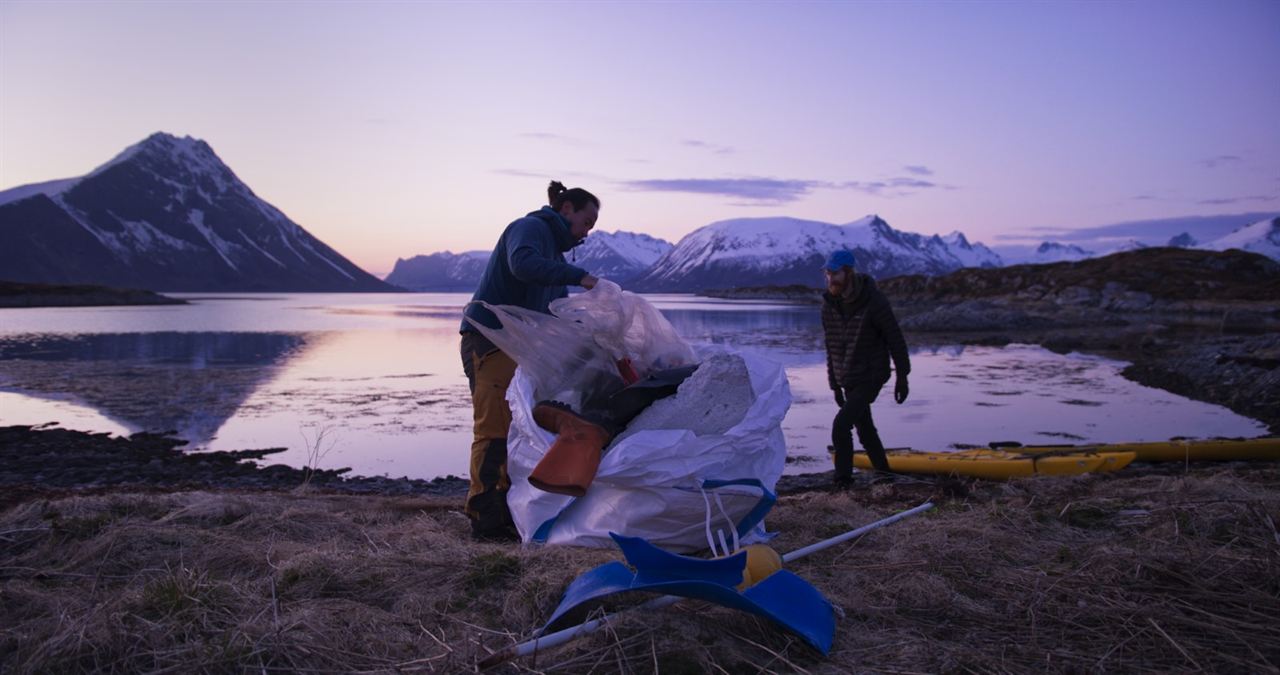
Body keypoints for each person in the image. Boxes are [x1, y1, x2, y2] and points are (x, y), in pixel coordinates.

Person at [459, 181, 600, 540]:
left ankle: (505, 510)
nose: (586, 232)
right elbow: (522, 265)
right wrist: (579, 276)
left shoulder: (552, 255)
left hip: (516, 348)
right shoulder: (530, 228)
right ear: (566, 209)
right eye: (586, 222)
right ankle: (484, 518)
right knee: (493, 427)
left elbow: (558, 313)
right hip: (488, 341)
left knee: (516, 428)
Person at [820, 249, 910, 484]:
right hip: (847, 376)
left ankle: (843, 481)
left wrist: (902, 376)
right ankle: (884, 471)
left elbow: (895, 338)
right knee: (865, 426)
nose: (830, 279)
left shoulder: (874, 301)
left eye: (835, 274)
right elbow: (831, 348)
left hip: (872, 374)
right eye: (827, 274)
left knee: (841, 425)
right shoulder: (828, 306)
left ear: (848, 272)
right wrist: (835, 386)